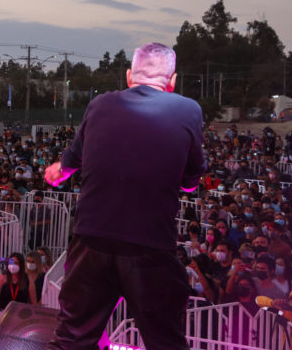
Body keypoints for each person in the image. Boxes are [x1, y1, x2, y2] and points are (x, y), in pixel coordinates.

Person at [44, 43, 206, 350]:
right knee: (165, 340)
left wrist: (57, 171)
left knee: (72, 338)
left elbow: (68, 164)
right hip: (150, 244)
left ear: (129, 76)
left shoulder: (100, 105)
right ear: (172, 82)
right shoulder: (189, 109)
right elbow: (189, 183)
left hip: (91, 240)